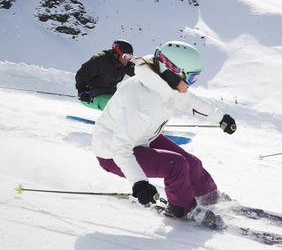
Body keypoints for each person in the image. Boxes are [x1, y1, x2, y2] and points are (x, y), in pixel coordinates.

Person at [91, 41, 237, 227]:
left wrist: (221, 118)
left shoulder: (162, 84)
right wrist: (139, 183)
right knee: (176, 165)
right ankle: (183, 209)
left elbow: (189, 102)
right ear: (172, 71)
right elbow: (121, 148)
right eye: (191, 78)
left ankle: (209, 196)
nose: (191, 85)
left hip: (143, 137)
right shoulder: (142, 100)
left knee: (191, 162)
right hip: (112, 152)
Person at [75, 39, 136, 110]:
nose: (128, 59)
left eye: (130, 56)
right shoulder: (100, 60)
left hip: (110, 96)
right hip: (91, 97)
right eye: (126, 56)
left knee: (132, 103)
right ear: (116, 54)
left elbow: (138, 72)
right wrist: (83, 90)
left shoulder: (125, 64)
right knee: (121, 106)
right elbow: (82, 74)